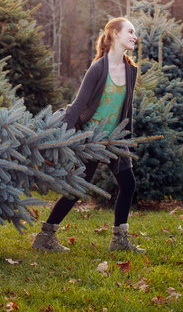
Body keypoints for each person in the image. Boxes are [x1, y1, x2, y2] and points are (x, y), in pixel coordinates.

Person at [32, 17, 145, 253]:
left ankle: (119, 240)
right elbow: (76, 106)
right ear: (114, 34)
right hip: (91, 140)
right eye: (130, 32)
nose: (135, 36)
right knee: (77, 189)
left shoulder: (131, 69)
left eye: (135, 33)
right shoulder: (98, 69)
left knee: (128, 183)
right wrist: (60, 139)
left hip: (115, 139)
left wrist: (126, 138)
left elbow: (127, 108)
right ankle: (45, 236)